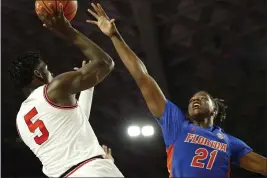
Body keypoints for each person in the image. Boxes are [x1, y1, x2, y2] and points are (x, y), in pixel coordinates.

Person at [86, 3, 267, 178]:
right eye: (192, 100)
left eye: (203, 98)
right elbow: (142, 76)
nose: (195, 100)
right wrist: (114, 36)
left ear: (215, 109)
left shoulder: (228, 142)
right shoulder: (176, 124)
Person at [10, 4, 123, 178]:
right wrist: (68, 30)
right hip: (92, 170)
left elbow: (75, 122)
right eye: (47, 69)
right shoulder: (54, 88)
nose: (52, 73)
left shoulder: (20, 121)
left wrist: (88, 88)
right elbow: (105, 63)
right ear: (38, 73)